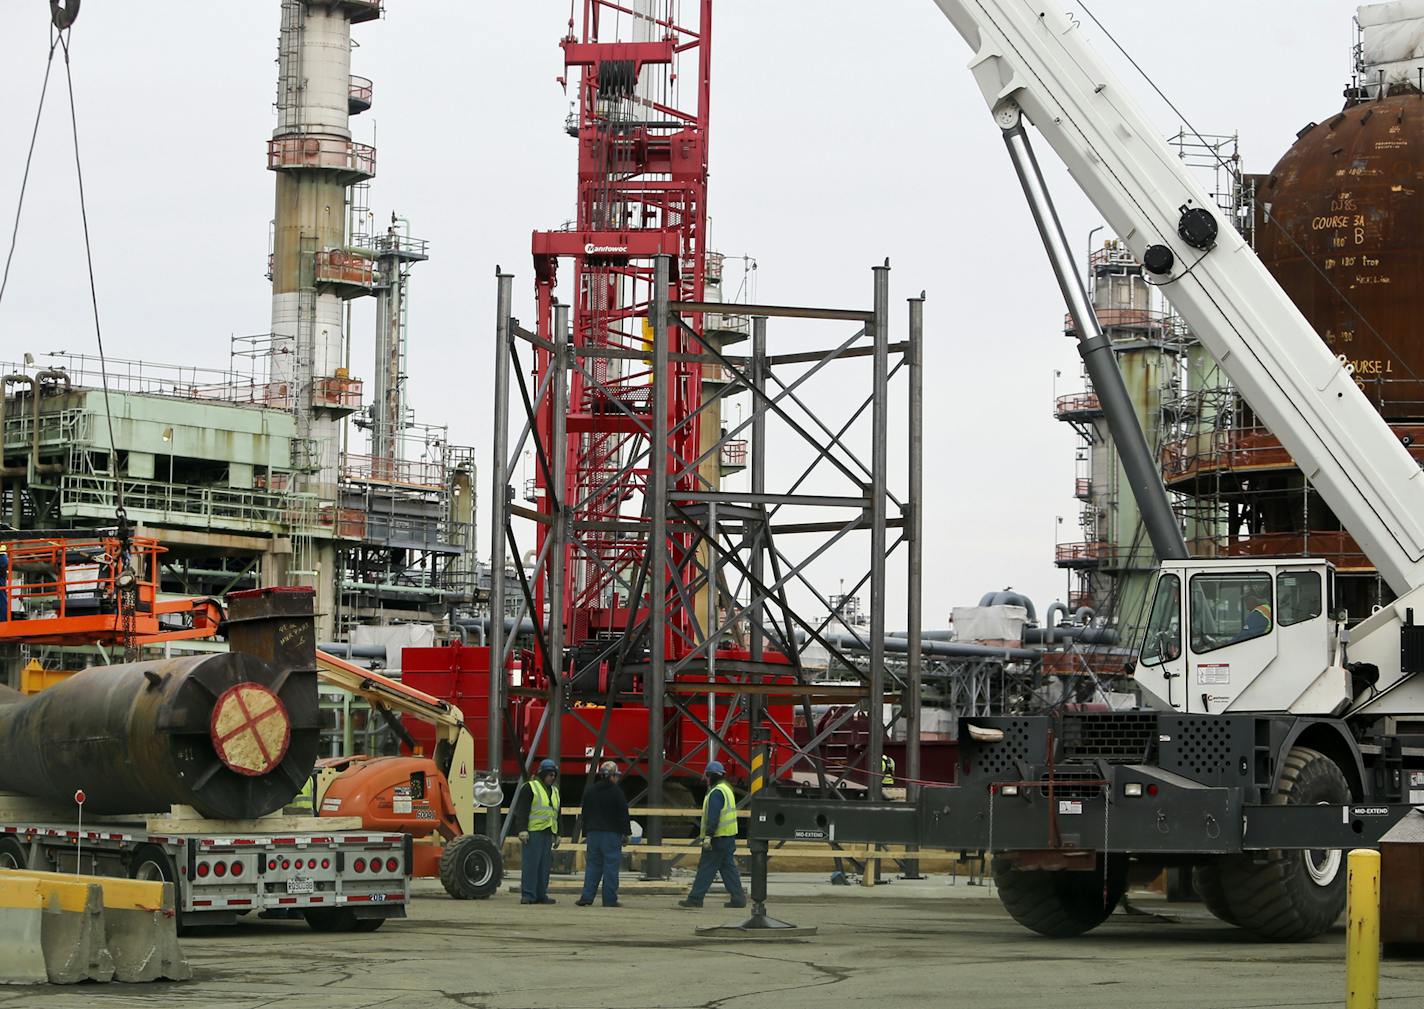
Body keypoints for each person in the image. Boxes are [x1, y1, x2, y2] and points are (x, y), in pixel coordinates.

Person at [677, 761, 747, 909]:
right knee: (728, 869)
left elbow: (713, 816)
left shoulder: (716, 792)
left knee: (706, 868)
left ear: (711, 775)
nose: (706, 779)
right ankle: (738, 898)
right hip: (727, 837)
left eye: (707, 776)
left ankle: (695, 899)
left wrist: (708, 835)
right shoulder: (726, 789)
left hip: (717, 838)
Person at [576, 760, 631, 908]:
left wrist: (586, 832)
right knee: (611, 868)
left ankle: (586, 898)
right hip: (611, 835)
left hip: (593, 834)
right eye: (616, 776)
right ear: (612, 776)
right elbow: (623, 814)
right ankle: (609, 900)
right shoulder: (617, 792)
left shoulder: (590, 791)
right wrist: (626, 833)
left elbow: (585, 813)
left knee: (592, 866)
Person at [512, 758, 561, 905]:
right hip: (533, 833)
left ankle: (541, 894)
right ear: (543, 774)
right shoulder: (530, 788)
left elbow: (558, 813)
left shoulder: (555, 792)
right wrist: (522, 830)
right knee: (531, 865)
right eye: (550, 775)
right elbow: (521, 811)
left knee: (544, 866)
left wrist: (558, 834)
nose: (552, 778)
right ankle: (528, 894)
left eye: (554, 775)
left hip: (547, 831)